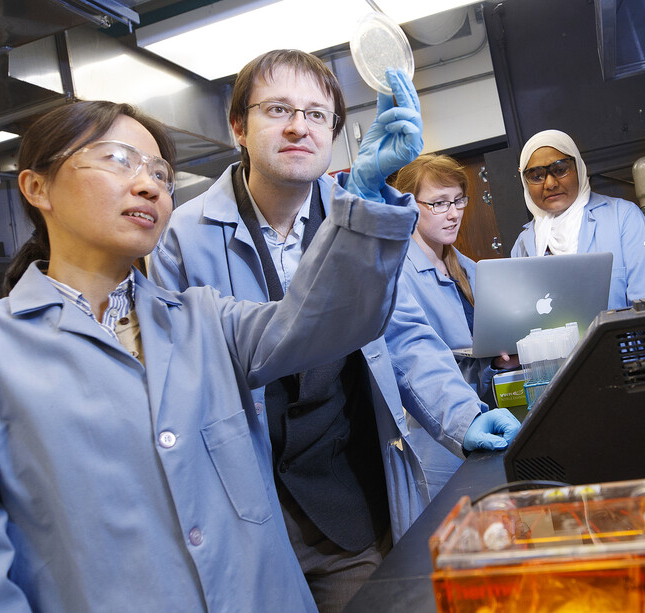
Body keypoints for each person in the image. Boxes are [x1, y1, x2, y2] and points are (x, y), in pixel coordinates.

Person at [0, 100, 418, 612]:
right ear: (38, 188)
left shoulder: (204, 320)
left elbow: (327, 322)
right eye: (118, 159)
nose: (149, 186)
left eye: (160, 174)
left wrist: (363, 204)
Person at [148, 50, 519, 613]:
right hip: (246, 501)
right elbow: (175, 382)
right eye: (278, 109)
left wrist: (462, 416)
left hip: (349, 499)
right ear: (238, 127)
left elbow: (403, 338)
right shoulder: (182, 236)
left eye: (318, 114)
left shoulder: (362, 215)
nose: (299, 126)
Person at [392, 154, 519, 402]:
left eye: (458, 201)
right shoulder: (396, 277)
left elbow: (475, 361)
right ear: (408, 206)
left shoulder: (470, 270)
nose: (453, 215)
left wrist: (497, 362)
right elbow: (418, 370)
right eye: (439, 203)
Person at [511, 129, 645, 309]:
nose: (550, 183)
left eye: (560, 169)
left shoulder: (622, 218)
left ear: (578, 168)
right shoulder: (523, 246)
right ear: (525, 183)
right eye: (536, 176)